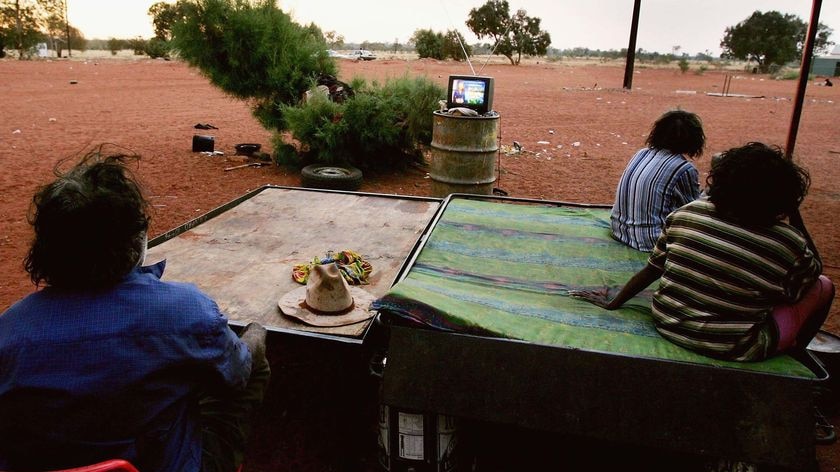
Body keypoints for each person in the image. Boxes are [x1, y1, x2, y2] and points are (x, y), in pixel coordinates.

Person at [0, 150, 270, 472]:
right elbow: (237, 372)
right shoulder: (186, 310)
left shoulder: (10, 332)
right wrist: (254, 334)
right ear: (135, 239)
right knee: (248, 354)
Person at [573, 142, 834, 362]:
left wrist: (616, 300)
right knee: (823, 286)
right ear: (785, 197)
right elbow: (807, 281)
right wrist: (794, 215)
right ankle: (798, 354)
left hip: (668, 322)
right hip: (736, 346)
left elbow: (653, 268)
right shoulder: (788, 243)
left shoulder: (687, 213)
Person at [610, 109, 706, 251]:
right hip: (650, 241)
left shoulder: (641, 154)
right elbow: (691, 211)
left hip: (619, 230)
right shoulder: (683, 168)